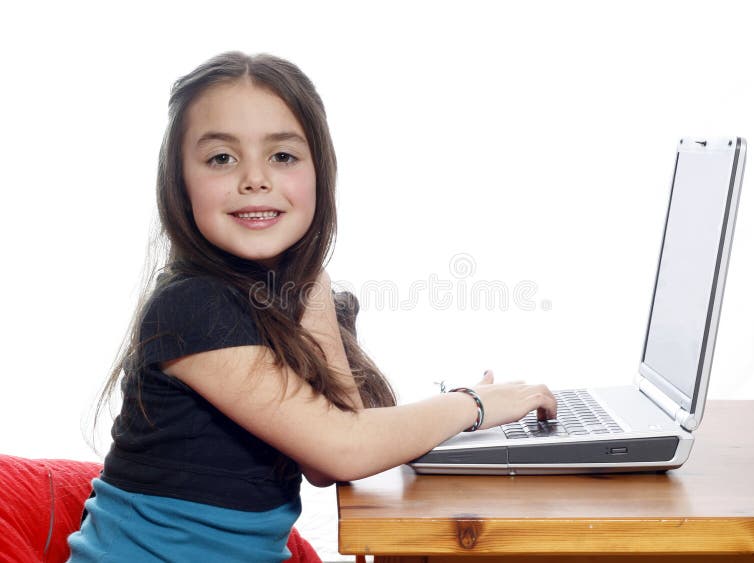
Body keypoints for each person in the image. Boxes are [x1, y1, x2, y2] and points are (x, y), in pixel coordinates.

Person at [67, 50, 558, 562]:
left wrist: (312, 284)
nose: (255, 179)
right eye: (221, 158)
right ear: (180, 182)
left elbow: (328, 456)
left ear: (319, 172)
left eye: (283, 156)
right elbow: (343, 449)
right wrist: (474, 407)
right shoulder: (192, 307)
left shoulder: (287, 293)